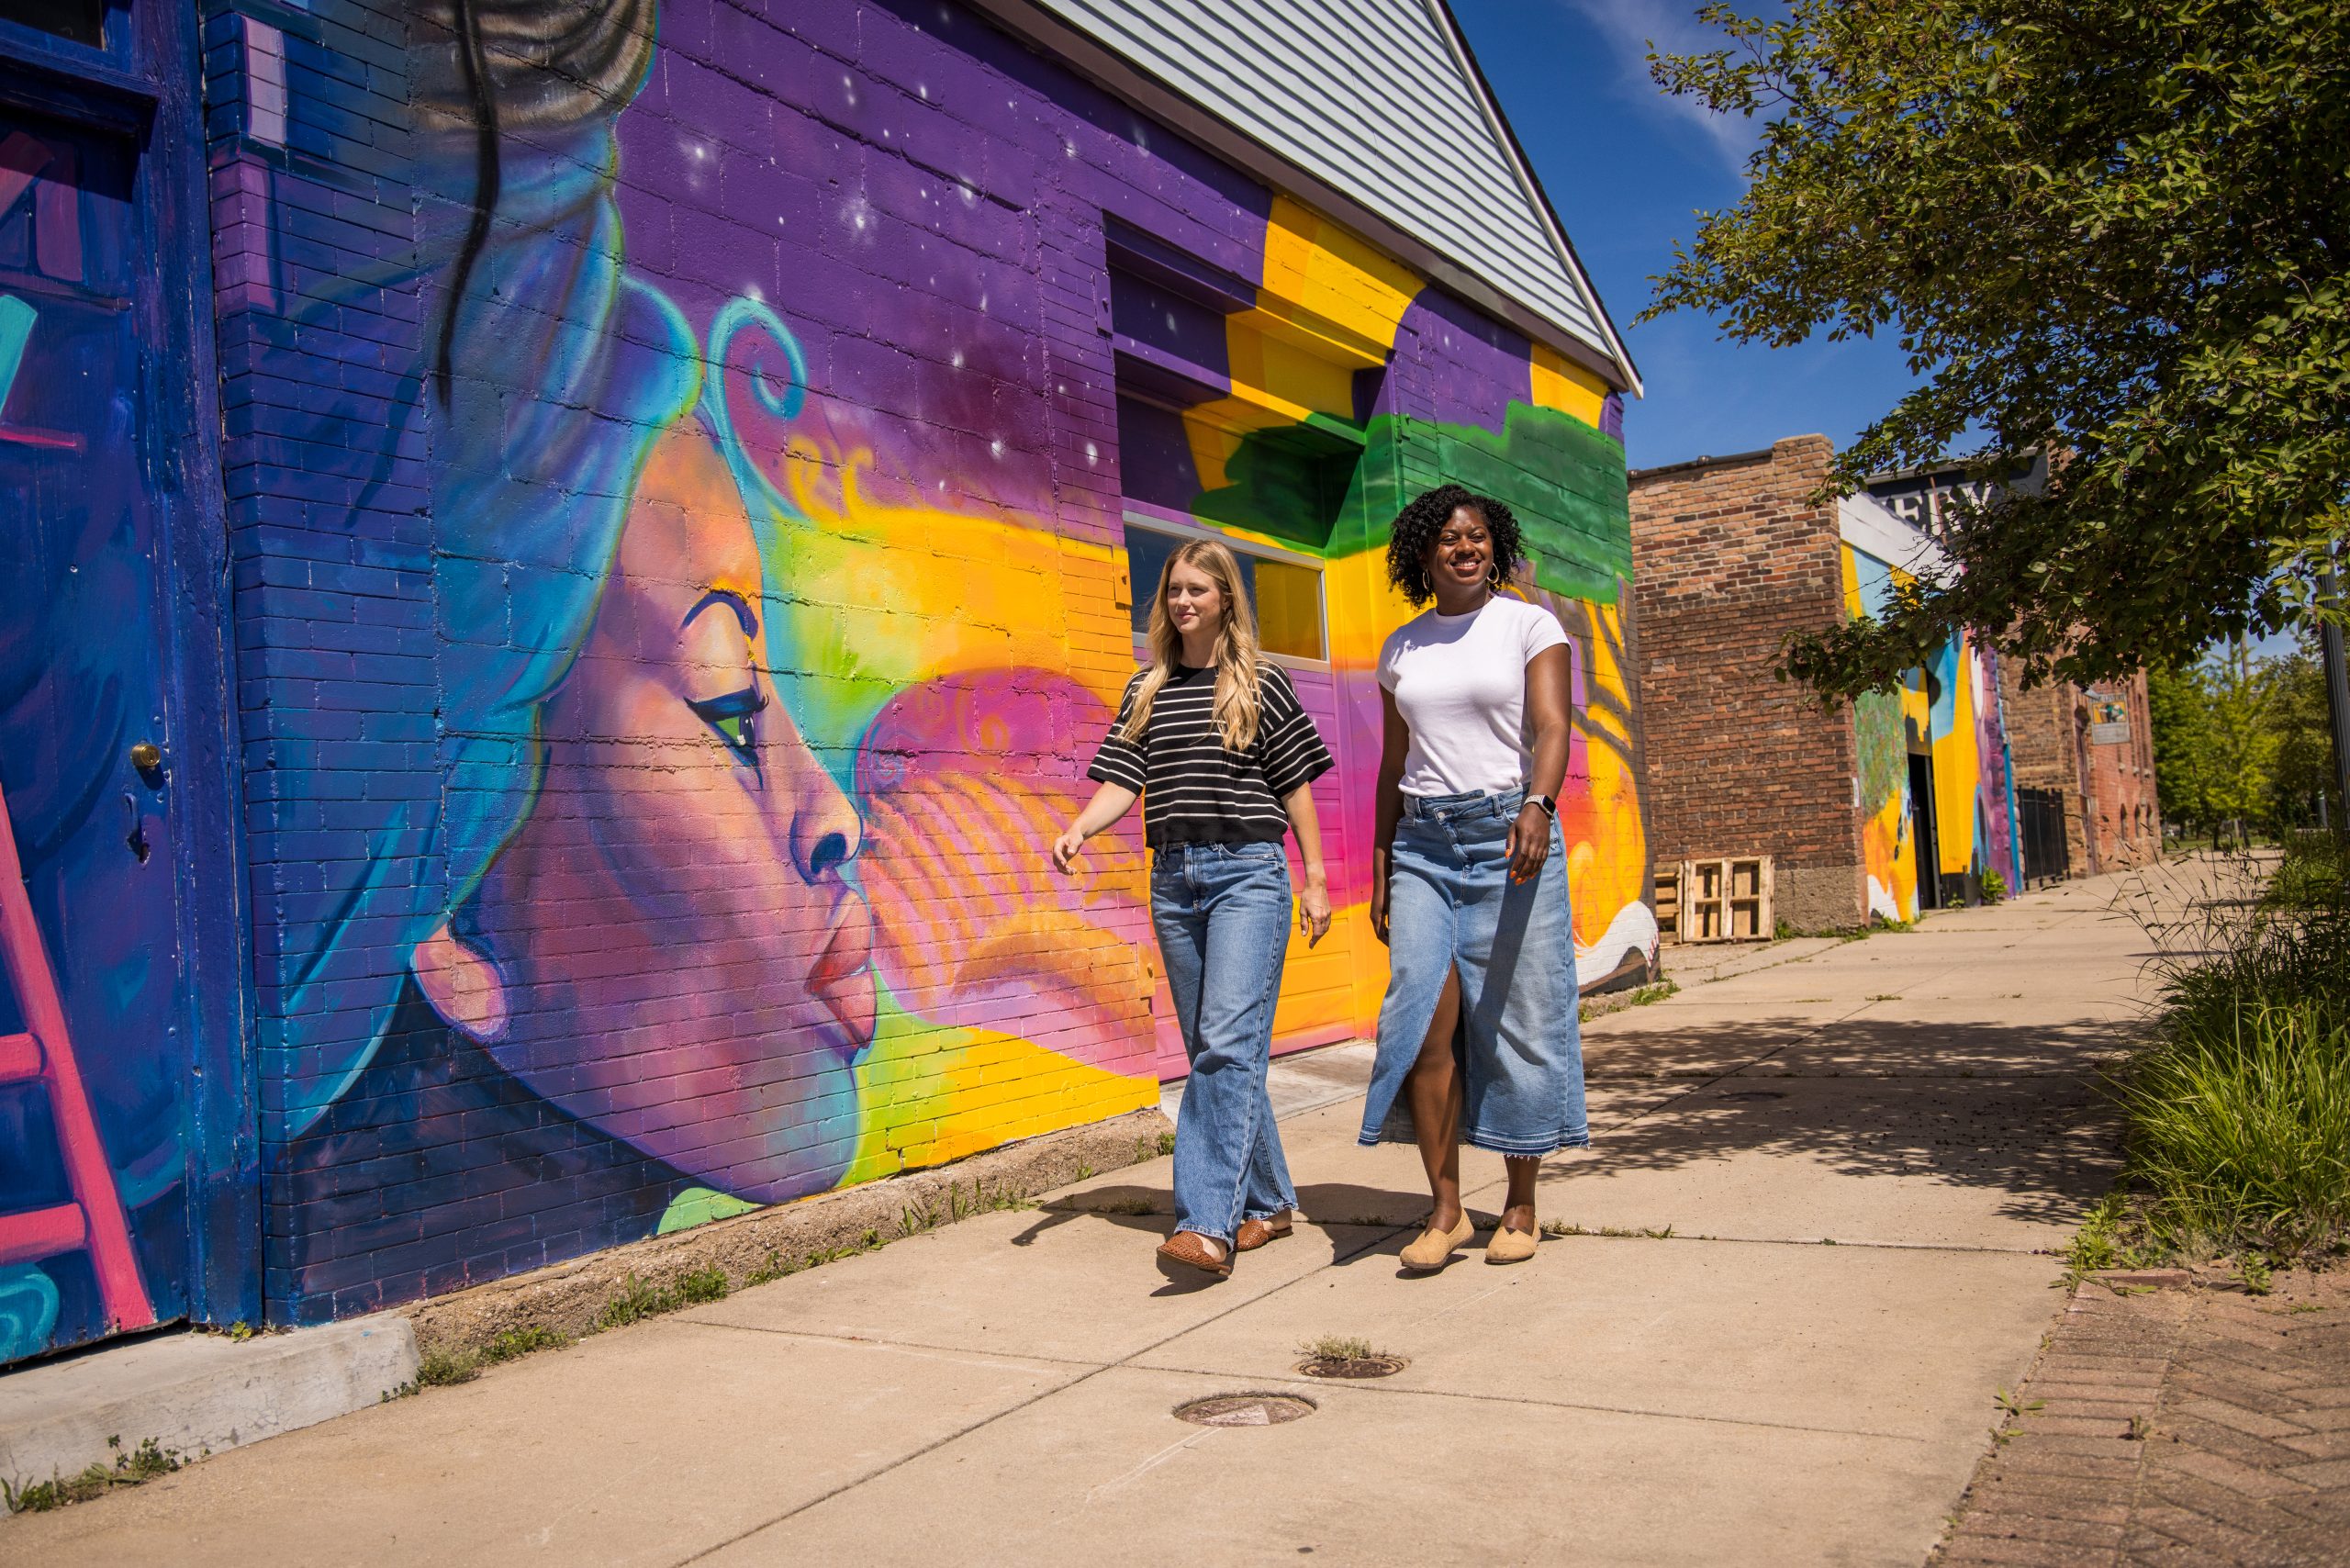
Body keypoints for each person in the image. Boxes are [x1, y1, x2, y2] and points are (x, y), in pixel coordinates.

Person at [1053, 540, 1335, 1278]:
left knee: (1226, 1045)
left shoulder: (1262, 683)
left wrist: (1315, 879)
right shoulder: (1146, 687)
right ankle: (1270, 1201)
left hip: (1248, 876)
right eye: (1174, 589)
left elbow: (1296, 783)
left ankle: (1207, 1224)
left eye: (1197, 590)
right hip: (1174, 882)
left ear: (1225, 600)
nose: (1182, 601)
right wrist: (1082, 827)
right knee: (1217, 1049)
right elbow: (1124, 778)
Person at [1364, 485, 1589, 1270]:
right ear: (1423, 552)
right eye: (1450, 538)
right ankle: (1447, 1211)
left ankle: (1521, 1205)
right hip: (1423, 843)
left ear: (1496, 546)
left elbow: (1553, 728)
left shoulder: (1528, 625)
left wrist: (1538, 804)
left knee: (1518, 1022)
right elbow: (1394, 764)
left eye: (1479, 537)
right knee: (1421, 1022)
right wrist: (1382, 863)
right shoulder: (1401, 649)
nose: (1467, 548)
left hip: (1509, 836)